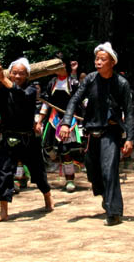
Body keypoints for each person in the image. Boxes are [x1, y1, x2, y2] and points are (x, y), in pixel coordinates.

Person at [59, 42, 134, 226]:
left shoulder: (122, 83)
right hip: (91, 131)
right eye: (97, 59)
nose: (98, 62)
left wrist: (131, 138)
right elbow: (74, 100)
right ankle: (106, 197)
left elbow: (130, 112)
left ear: (112, 62)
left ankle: (114, 212)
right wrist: (65, 122)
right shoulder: (90, 79)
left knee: (109, 170)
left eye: (103, 59)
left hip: (110, 132)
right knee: (93, 172)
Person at [0, 58, 54, 222]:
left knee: (37, 171)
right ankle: (3, 211)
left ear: (27, 75)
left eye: (21, 73)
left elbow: (20, 94)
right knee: (4, 172)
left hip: (28, 139)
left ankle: (47, 196)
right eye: (14, 73)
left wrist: (4, 79)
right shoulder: (1, 90)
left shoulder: (31, 90)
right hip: (8, 138)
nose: (17, 76)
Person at [37, 54, 81, 191]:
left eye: (59, 64)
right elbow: (46, 103)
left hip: (69, 119)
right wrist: (39, 121)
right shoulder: (51, 83)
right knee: (47, 146)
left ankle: (69, 179)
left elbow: (81, 101)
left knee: (65, 150)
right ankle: (55, 159)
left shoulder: (73, 83)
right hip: (54, 118)